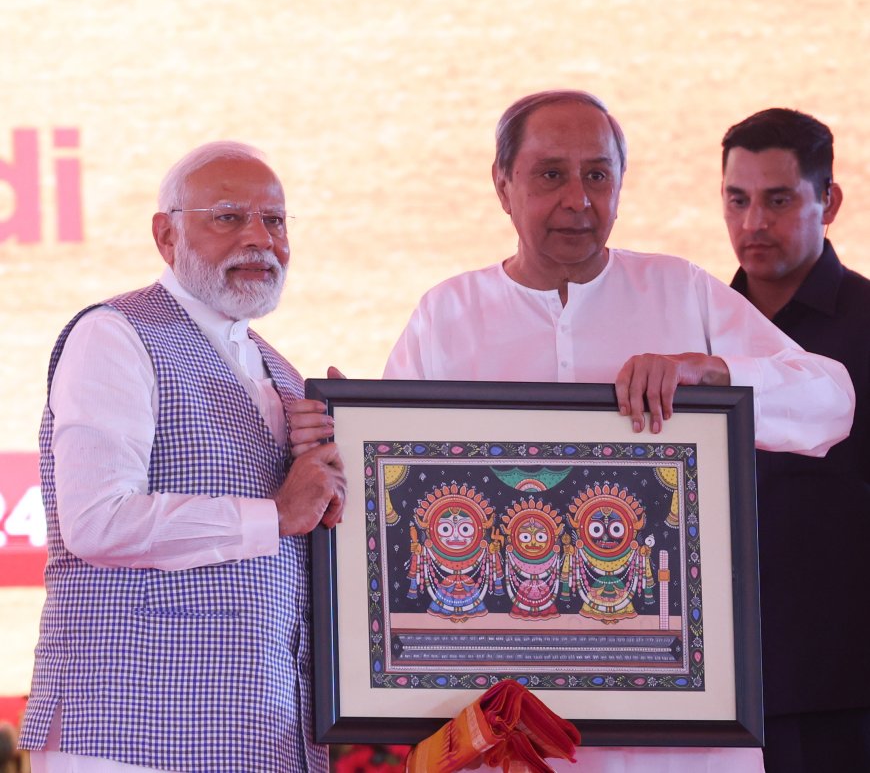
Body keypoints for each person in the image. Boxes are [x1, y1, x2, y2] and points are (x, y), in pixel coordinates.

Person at [383, 90, 856, 772]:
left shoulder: (680, 293)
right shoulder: (446, 317)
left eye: (598, 175)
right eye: (551, 174)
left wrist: (713, 373)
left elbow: (831, 402)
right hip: (506, 724)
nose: (579, 199)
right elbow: (393, 514)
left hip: (683, 732)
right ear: (502, 183)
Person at [18, 142, 346, 773]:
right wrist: (274, 514)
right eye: (228, 217)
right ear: (165, 235)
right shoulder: (115, 334)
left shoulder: (283, 373)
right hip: (129, 735)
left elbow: (299, 540)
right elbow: (98, 519)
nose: (259, 238)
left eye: (274, 221)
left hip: (266, 736)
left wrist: (338, 476)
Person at [722, 108, 870, 773]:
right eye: (737, 199)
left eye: (778, 200)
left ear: (828, 200)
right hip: (718, 688)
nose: (753, 224)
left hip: (845, 691)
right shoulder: (698, 334)